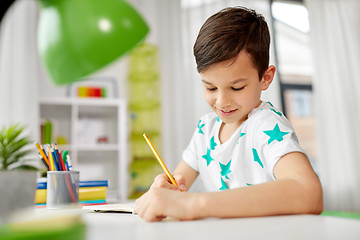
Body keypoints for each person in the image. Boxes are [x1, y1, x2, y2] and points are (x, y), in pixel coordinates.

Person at [135, 6, 323, 222]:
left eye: (237, 88)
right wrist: (165, 190)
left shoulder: (265, 125)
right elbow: (177, 184)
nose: (222, 102)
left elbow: (310, 193)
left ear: (266, 78)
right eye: (211, 88)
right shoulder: (205, 130)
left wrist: (195, 204)